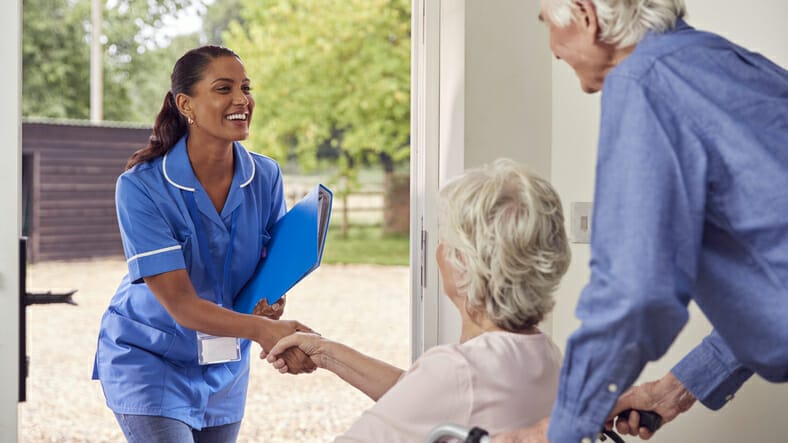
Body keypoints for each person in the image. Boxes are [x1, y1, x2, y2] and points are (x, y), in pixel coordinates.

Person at [493, 1, 788, 442]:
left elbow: (633, 291)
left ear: (584, 15)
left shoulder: (642, 80)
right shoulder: (720, 62)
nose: (553, 50)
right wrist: (672, 392)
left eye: (547, 26)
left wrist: (556, 431)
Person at [92, 45, 317, 443]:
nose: (241, 100)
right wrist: (263, 331)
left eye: (245, 88)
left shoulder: (265, 176)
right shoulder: (141, 186)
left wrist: (270, 305)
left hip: (224, 366)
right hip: (150, 359)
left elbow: (268, 270)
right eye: (223, 88)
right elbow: (181, 305)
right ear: (186, 104)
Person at [265, 159, 571, 442]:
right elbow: (424, 399)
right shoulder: (546, 355)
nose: (439, 250)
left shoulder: (459, 370)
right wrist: (324, 352)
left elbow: (434, 395)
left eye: (444, 239)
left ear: (464, 264)